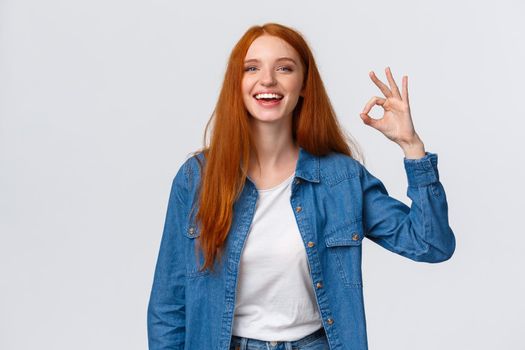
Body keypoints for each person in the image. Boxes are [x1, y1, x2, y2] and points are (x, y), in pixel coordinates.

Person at [147, 22, 456, 350]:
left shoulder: (341, 179)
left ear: (304, 84)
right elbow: (169, 305)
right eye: (252, 68)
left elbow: (431, 245)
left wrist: (412, 147)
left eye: (284, 68)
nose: (267, 79)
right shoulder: (197, 179)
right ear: (237, 84)